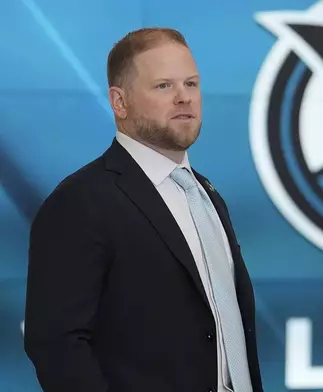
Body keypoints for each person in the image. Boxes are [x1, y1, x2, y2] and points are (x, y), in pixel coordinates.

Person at [24, 27, 263, 392]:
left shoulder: (207, 194)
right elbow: (57, 344)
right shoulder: (79, 201)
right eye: (164, 86)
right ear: (120, 102)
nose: (184, 98)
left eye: (192, 84)